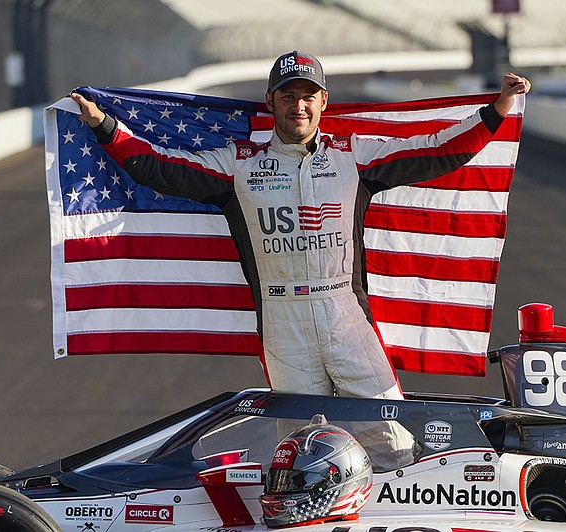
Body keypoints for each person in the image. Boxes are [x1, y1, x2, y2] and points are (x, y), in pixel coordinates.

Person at [71, 51, 530, 403]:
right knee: (300, 446)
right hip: (281, 321)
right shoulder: (238, 164)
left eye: (308, 95)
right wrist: (105, 126)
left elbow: (435, 151)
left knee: (388, 435)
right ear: (270, 101)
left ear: (323, 102)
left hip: (346, 314)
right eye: (288, 95)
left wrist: (497, 109)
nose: (299, 106)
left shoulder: (354, 154)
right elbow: (159, 168)